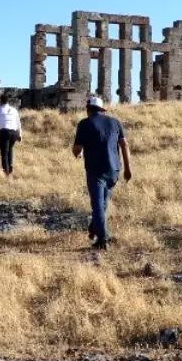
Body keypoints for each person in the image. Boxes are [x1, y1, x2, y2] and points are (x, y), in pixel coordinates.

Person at [72, 95, 132, 251]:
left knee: (98, 204)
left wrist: (77, 153)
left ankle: (103, 239)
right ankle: (94, 228)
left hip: (95, 170)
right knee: (103, 203)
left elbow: (77, 148)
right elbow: (124, 145)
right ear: (102, 110)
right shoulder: (115, 122)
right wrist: (127, 168)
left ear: (88, 109)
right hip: (114, 170)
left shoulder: (85, 124)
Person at [0, 94, 23, 176]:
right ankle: (10, 169)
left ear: (1, 101)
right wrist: (20, 134)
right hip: (14, 133)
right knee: (10, 149)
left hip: (5, 132)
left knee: (4, 152)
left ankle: (6, 172)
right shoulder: (14, 110)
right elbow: (18, 123)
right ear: (8, 101)